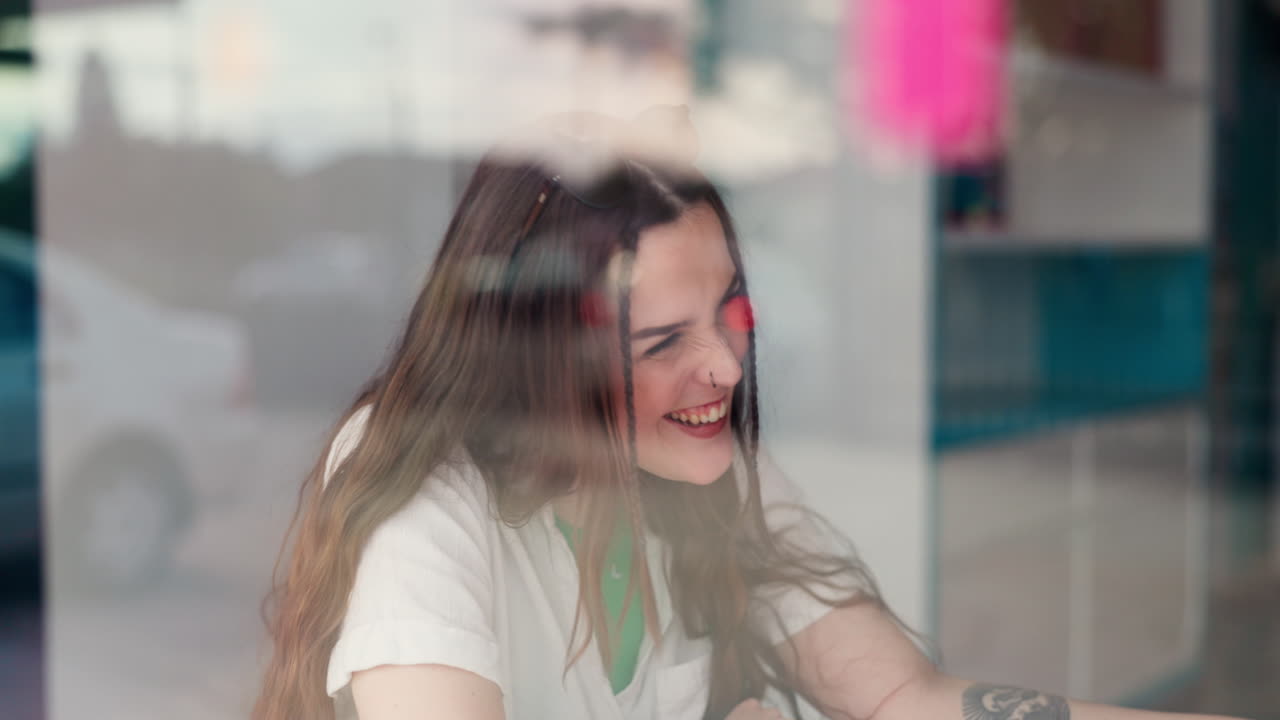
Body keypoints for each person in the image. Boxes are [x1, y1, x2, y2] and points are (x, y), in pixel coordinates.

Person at [252, 109, 1240, 720]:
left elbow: (903, 698)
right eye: (660, 343)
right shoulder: (423, 487)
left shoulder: (698, 467)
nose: (723, 364)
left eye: (728, 307)